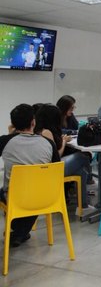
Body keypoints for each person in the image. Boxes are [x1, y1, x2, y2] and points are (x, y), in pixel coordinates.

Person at [1, 104, 58, 247]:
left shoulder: (5, 141)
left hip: (16, 198)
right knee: (33, 189)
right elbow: (56, 167)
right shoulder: (49, 143)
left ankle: (18, 231)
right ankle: (19, 233)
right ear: (33, 122)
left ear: (13, 124)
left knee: (11, 191)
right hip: (45, 198)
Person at [34, 104, 94, 216]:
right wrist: (64, 142)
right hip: (51, 170)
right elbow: (56, 156)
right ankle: (89, 184)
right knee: (82, 156)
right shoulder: (47, 132)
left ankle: (83, 206)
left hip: (44, 169)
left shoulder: (38, 129)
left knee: (81, 172)